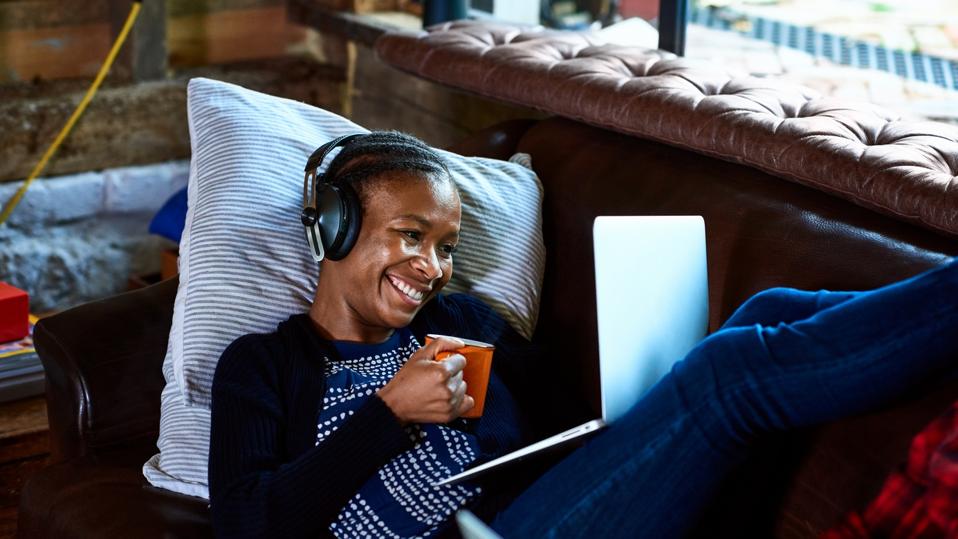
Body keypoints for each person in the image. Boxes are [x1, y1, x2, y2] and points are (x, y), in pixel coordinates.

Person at [207, 131, 958, 538]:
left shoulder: (459, 326)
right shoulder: (265, 365)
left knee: (771, 306)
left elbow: (555, 429)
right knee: (728, 376)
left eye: (445, 246)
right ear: (335, 226)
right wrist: (388, 413)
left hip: (531, 516)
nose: (432, 268)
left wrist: (626, 393)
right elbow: (245, 522)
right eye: (411, 236)